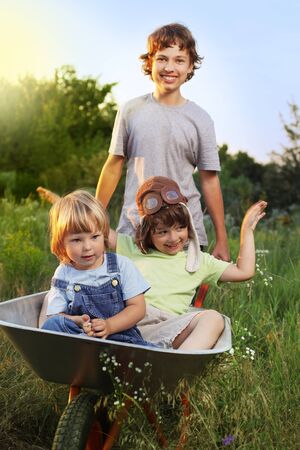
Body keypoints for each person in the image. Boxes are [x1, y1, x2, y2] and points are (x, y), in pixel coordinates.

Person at [95, 22, 230, 261]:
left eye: (179, 60)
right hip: (136, 230)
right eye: (162, 59)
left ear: (190, 67)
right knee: (135, 299)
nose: (170, 67)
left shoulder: (201, 119)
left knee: (177, 299)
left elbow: (210, 180)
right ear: (150, 63)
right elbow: (113, 166)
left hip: (184, 233)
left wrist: (222, 239)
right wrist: (93, 214)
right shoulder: (131, 110)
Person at [86, 176, 267, 351]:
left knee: (215, 319)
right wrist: (80, 208)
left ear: (188, 226)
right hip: (128, 321)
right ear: (148, 233)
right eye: (163, 232)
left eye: (180, 228)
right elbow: (95, 227)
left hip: (168, 329)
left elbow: (244, 271)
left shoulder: (198, 260)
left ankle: (175, 366)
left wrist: (247, 230)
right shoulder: (132, 248)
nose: (173, 238)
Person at [40, 189, 153, 347]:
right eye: (77, 240)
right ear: (61, 243)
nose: (87, 247)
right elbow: (56, 315)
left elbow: (138, 308)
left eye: (94, 237)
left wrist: (110, 325)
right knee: (52, 324)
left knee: (146, 351)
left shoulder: (121, 265)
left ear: (104, 235)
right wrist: (79, 321)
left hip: (120, 337)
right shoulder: (64, 273)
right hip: (80, 338)